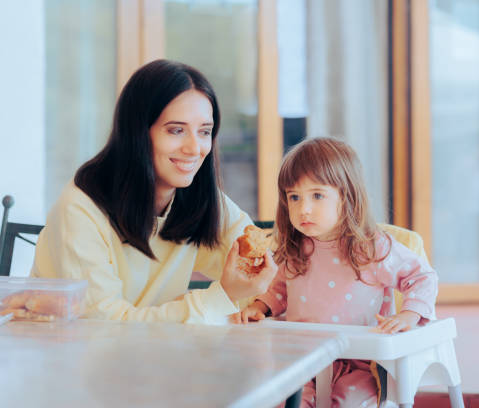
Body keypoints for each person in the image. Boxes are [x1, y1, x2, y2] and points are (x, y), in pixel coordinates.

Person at [31, 59, 277, 324]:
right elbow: (103, 327)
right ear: (137, 132)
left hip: (157, 357)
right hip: (70, 358)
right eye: (176, 130)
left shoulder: (198, 198)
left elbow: (264, 274)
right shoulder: (80, 210)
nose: (195, 148)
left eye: (204, 131)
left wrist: (251, 295)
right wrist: (221, 297)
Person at [237, 137, 438, 407]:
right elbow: (280, 289)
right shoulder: (294, 247)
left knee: (352, 402)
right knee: (281, 400)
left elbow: (422, 277)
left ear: (347, 196)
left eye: (317, 195)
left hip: (360, 363)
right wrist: (261, 307)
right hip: (302, 360)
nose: (303, 208)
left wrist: (410, 314)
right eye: (294, 197)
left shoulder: (372, 248)